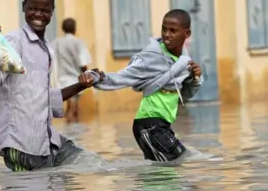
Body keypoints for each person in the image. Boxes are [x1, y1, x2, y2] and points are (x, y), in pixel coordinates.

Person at [0, 0, 96, 171]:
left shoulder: (46, 48)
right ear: (24, 7)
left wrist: (82, 85)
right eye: (33, 9)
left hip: (46, 142)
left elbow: (46, 98)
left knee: (90, 165)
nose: (38, 15)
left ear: (52, 12)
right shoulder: (14, 42)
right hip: (21, 146)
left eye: (45, 10)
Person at [80, 9, 203, 163]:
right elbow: (123, 76)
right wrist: (96, 77)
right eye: (164, 29)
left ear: (187, 33)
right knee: (184, 160)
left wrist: (195, 78)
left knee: (163, 175)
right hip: (149, 124)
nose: (166, 34)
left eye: (172, 30)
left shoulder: (184, 62)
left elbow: (184, 95)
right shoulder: (150, 58)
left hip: (163, 125)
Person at [51, 18, 92, 123]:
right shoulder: (78, 43)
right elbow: (83, 63)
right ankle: (72, 134)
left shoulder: (56, 42)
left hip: (61, 78)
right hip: (75, 79)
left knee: (72, 108)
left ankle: (71, 132)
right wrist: (86, 76)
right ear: (74, 28)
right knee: (72, 111)